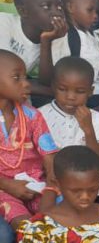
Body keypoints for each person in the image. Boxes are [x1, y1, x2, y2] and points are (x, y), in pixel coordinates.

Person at [0, 50, 57, 230]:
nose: (27, 85)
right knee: (25, 228)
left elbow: (49, 155)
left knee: (57, 217)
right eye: (17, 78)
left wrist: (51, 184)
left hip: (36, 183)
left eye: (26, 77)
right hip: (3, 189)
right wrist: (8, 185)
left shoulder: (32, 115)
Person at [0, 0, 67, 91]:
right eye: (46, 7)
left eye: (59, 7)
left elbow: (47, 82)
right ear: (23, 11)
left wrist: (46, 41)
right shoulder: (3, 22)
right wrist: (54, 93)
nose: (56, 12)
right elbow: (4, 76)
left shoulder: (56, 36)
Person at [39, 56, 99, 156]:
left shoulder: (97, 119)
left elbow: (97, 159)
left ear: (90, 92)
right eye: (62, 89)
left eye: (80, 91)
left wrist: (88, 130)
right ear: (53, 87)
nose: (70, 97)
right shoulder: (40, 116)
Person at [51, 0, 99, 97]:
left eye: (96, 11)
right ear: (70, 7)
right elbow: (63, 66)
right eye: (90, 10)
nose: (95, 16)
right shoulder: (66, 35)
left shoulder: (88, 33)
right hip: (87, 96)